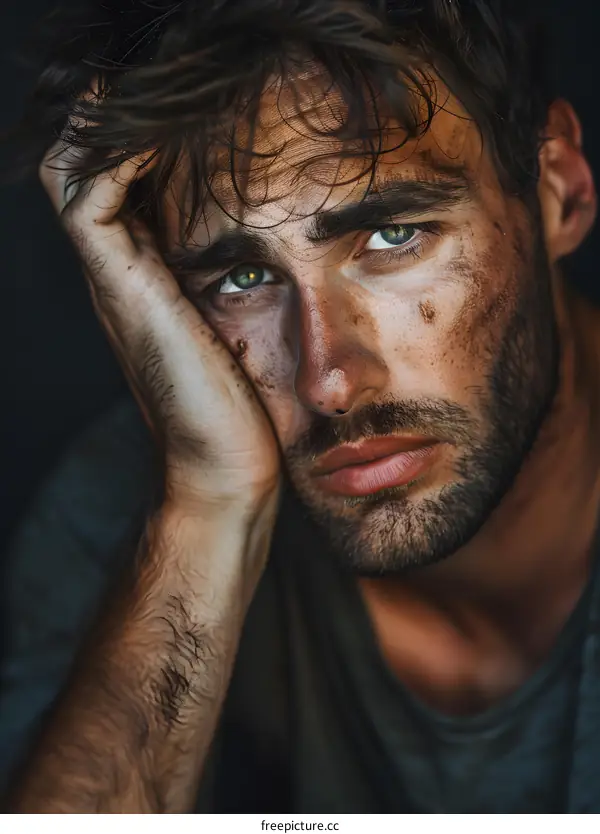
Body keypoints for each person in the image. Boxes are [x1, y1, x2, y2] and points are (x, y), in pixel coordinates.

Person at [2, 0, 599, 813]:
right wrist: (210, 510)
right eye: (242, 280)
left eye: (394, 238)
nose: (327, 380)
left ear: (559, 186)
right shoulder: (115, 517)